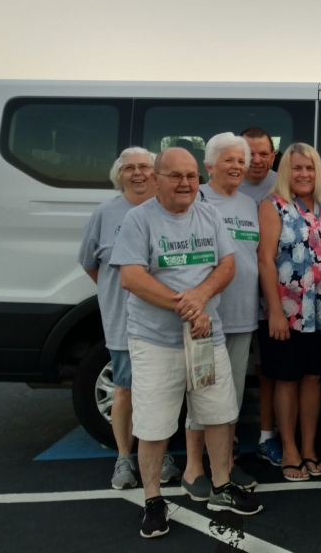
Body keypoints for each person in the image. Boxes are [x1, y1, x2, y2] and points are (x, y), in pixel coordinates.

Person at [112, 147, 263, 539]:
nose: (185, 184)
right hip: (157, 341)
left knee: (217, 413)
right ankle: (153, 500)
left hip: (204, 338)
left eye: (191, 176)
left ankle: (221, 486)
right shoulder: (138, 219)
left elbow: (226, 265)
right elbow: (131, 276)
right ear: (157, 179)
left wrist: (200, 299)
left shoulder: (209, 213)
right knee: (155, 424)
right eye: (176, 176)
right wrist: (189, 306)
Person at [79, 147, 181, 490]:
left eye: (144, 167)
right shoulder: (105, 212)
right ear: (118, 174)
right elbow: (91, 263)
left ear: (155, 174)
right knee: (125, 389)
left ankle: (160, 452)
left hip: (165, 319)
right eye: (129, 168)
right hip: (124, 322)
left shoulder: (167, 208)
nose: (137, 173)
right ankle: (124, 457)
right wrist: (117, 292)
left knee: (162, 392)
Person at [257, 143, 321, 482]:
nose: (304, 174)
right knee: (287, 379)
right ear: (285, 172)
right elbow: (265, 259)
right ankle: (290, 450)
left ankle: (309, 449)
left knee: (314, 378)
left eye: (309, 168)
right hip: (287, 313)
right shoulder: (272, 205)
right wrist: (275, 311)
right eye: (296, 168)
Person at [181, 134, 261, 499]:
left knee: (232, 398)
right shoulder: (196, 201)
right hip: (207, 319)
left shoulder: (249, 203)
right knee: (202, 394)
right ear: (209, 165)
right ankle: (193, 467)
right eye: (228, 160)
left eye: (240, 161)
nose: (236, 166)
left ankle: (224, 464)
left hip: (243, 316)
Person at [237, 126, 282, 467]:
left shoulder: (283, 184)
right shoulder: (224, 185)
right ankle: (227, 435)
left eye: (264, 153)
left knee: (268, 369)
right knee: (225, 369)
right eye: (249, 153)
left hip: (272, 293)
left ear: (273, 154)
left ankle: (267, 436)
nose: (257, 160)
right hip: (231, 294)